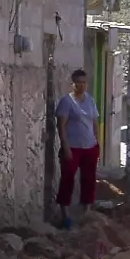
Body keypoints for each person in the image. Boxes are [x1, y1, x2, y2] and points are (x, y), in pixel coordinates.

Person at [54, 69, 101, 227]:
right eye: (78, 82)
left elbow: (94, 122)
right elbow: (61, 126)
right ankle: (64, 214)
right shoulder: (66, 102)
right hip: (73, 147)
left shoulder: (90, 101)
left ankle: (86, 210)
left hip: (90, 147)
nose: (82, 85)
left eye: (84, 82)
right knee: (67, 179)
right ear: (72, 84)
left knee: (89, 179)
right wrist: (65, 147)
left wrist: (97, 142)